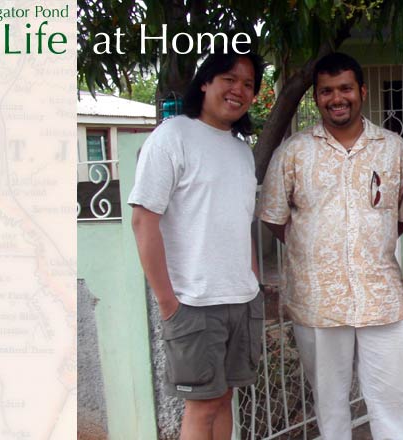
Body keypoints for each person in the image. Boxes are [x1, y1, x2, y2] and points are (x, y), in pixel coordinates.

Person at [257, 52, 403, 440]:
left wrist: (361, 245)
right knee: (329, 407)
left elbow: (400, 217)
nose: (336, 97)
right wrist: (318, 248)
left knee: (394, 403)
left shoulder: (394, 150)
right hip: (317, 304)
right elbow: (277, 220)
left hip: (381, 300)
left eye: (345, 88)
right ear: (316, 97)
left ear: (361, 91)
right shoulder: (293, 152)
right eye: (326, 91)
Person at [128, 49, 265, 440]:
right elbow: (143, 220)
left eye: (249, 84)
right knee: (201, 406)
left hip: (240, 300)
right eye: (229, 79)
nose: (239, 90)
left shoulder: (241, 150)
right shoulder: (172, 137)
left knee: (224, 399)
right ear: (205, 81)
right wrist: (169, 303)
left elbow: (238, 224)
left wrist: (252, 282)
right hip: (193, 303)